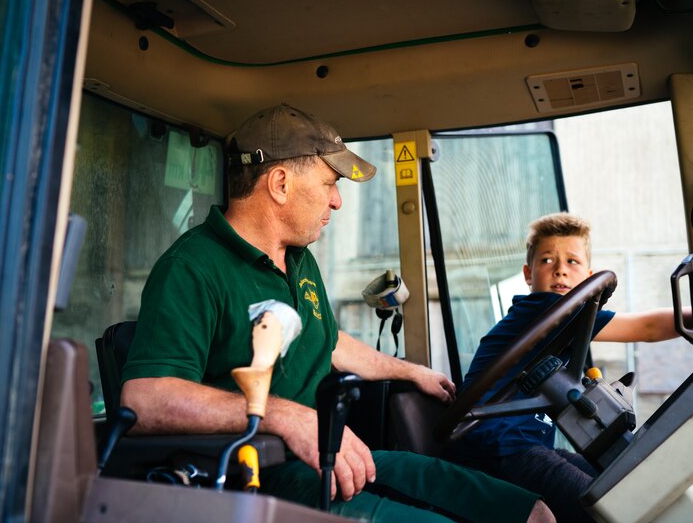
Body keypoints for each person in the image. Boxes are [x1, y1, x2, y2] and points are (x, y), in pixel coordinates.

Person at [120, 103, 554, 523]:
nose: (337, 202)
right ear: (280, 184)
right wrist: (286, 416)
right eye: (330, 183)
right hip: (257, 476)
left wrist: (410, 372)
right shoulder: (192, 268)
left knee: (530, 510)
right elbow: (144, 399)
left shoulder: (299, 260)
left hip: (326, 456)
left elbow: (328, 341)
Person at [443, 212, 688, 522]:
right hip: (495, 448)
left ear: (588, 275)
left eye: (572, 262)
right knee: (613, 508)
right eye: (547, 261)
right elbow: (649, 327)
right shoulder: (543, 310)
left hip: (524, 444)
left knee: (619, 486)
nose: (559, 270)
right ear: (528, 274)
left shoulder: (560, 322)